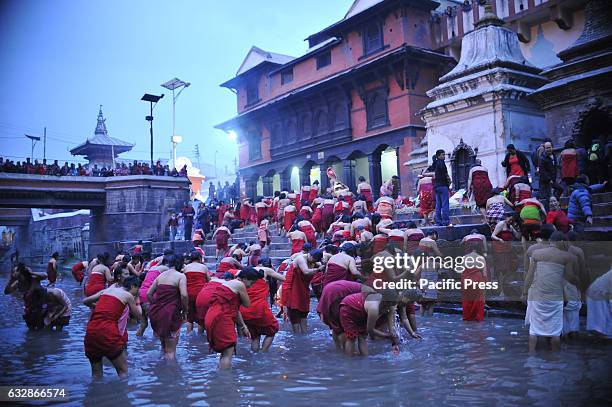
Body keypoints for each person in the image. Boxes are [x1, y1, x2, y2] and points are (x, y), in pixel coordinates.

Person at [523, 232, 577, 352]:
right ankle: (555, 360)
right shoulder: (566, 257)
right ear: (562, 242)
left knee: (534, 331)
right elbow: (568, 278)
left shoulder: (537, 254)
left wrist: (524, 292)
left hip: (537, 297)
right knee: (555, 333)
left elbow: (529, 276)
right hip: (555, 299)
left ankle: (531, 357)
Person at [83, 276, 142, 378]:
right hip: (107, 331)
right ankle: (121, 393)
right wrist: (137, 300)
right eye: (137, 289)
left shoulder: (107, 291)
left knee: (96, 375)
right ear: (132, 286)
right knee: (123, 371)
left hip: (91, 331)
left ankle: (95, 392)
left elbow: (86, 301)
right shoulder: (128, 295)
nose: (137, 292)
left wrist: (100, 307)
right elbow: (139, 316)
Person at [205, 267, 261, 369]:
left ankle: (222, 377)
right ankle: (226, 382)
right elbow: (247, 304)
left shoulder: (231, 284)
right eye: (251, 283)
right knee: (228, 351)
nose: (251, 286)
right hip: (220, 317)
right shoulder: (239, 284)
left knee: (225, 351)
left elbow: (235, 310)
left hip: (212, 316)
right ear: (244, 278)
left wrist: (244, 326)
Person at [147, 255, 188, 361]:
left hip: (156, 313)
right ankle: (171, 376)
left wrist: (156, 305)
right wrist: (185, 310)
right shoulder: (180, 276)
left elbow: (149, 294)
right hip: (170, 314)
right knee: (171, 352)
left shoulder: (161, 275)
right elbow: (184, 295)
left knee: (163, 348)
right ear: (180, 264)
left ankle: (160, 373)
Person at [242, 258, 285, 352]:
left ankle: (256, 357)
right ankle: (263, 352)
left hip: (244, 310)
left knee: (255, 336)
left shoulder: (244, 273)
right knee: (273, 329)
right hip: (259, 309)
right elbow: (285, 279)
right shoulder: (266, 270)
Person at [339, 291, 398, 356]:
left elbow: (391, 326)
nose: (392, 307)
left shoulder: (391, 305)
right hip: (348, 308)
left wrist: (394, 341)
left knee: (363, 337)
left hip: (362, 310)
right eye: (390, 305)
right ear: (385, 302)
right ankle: (349, 362)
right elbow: (370, 330)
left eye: (393, 304)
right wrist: (385, 335)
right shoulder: (374, 308)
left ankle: (365, 360)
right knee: (351, 338)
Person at [285, 249, 325, 333]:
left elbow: (323, 265)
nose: (313, 261)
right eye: (312, 259)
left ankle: (304, 333)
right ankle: (297, 335)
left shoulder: (315, 262)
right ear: (309, 255)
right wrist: (318, 269)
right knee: (294, 310)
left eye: (315, 261)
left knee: (304, 310)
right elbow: (306, 272)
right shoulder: (301, 259)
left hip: (303, 288)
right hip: (292, 286)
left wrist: (322, 264)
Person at [317, 280, 365, 350]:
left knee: (335, 327)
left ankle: (339, 350)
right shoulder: (373, 295)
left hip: (330, 288)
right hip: (336, 292)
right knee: (342, 328)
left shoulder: (364, 288)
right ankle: (344, 351)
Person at [136, 253, 170, 336]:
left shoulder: (153, 268)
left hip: (140, 294)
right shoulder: (165, 268)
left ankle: (139, 341)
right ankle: (156, 345)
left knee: (144, 324)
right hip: (149, 295)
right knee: (157, 323)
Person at [184, 251, 210, 334]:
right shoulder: (203, 267)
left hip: (189, 293)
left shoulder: (186, 267)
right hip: (201, 294)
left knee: (189, 317)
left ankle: (188, 336)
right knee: (201, 316)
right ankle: (200, 336)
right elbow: (209, 280)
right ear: (199, 258)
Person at [461, 243, 488, 322]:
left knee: (467, 299)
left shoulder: (464, 257)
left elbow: (462, 270)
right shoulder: (481, 258)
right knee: (479, 299)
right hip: (478, 278)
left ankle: (467, 317)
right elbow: (485, 273)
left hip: (466, 279)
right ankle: (477, 317)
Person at [585, 267, 612, 337]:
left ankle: (603, 333)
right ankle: (600, 334)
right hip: (597, 293)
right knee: (600, 323)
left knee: (603, 320)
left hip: (599, 292)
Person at [538, 141, 563, 210]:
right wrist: (549, 179)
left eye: (550, 147)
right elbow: (542, 171)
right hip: (545, 181)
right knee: (547, 198)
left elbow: (555, 167)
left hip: (553, 179)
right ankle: (548, 212)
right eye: (547, 148)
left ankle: (554, 203)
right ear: (544, 149)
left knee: (560, 189)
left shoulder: (554, 156)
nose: (549, 149)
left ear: (552, 147)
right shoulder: (542, 158)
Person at [433, 149, 451, 226]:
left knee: (438, 205)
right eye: (443, 155)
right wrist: (449, 181)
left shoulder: (435, 163)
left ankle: (438, 221)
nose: (444, 156)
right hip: (443, 186)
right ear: (439, 156)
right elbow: (445, 175)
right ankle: (446, 221)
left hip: (437, 186)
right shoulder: (441, 163)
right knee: (445, 204)